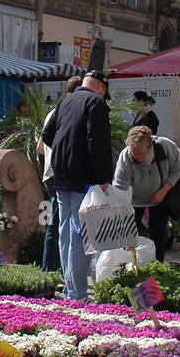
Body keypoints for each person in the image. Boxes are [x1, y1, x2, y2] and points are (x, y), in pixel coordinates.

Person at [41, 70, 113, 301]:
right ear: (101, 87)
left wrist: (65, 152)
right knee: (81, 234)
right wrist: (103, 177)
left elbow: (47, 134)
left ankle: (72, 289)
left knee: (66, 231)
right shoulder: (96, 103)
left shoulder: (66, 101)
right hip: (84, 178)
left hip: (62, 175)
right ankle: (77, 292)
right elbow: (97, 142)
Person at [112, 125, 180, 261]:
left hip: (159, 196)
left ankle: (157, 265)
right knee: (129, 235)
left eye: (141, 154)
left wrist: (163, 191)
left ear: (149, 147)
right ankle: (131, 265)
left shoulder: (164, 147)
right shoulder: (126, 157)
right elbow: (120, 187)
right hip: (134, 200)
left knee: (158, 234)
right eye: (135, 153)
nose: (138, 157)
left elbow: (178, 168)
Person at [37, 77, 82, 273]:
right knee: (60, 225)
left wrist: (50, 157)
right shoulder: (71, 112)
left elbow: (39, 147)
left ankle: (52, 269)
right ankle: (53, 270)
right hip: (62, 173)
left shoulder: (51, 113)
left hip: (50, 173)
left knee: (54, 223)